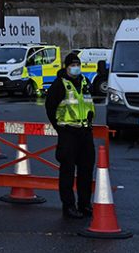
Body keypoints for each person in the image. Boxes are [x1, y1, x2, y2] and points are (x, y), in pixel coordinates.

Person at [45, 52, 95, 219]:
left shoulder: (85, 83)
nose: (76, 68)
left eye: (77, 65)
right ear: (66, 67)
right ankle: (69, 206)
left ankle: (84, 204)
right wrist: (61, 129)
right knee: (67, 171)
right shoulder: (59, 85)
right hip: (68, 133)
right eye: (72, 65)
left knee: (86, 171)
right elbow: (50, 108)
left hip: (85, 132)